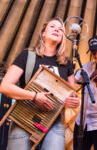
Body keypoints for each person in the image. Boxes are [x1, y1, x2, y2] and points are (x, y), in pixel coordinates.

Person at [0, 17, 80, 150]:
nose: (57, 30)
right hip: (24, 118)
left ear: (63, 37)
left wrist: (74, 102)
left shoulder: (66, 63)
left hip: (54, 122)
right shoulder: (27, 55)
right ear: (43, 33)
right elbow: (4, 86)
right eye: (52, 27)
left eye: (60, 29)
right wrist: (35, 96)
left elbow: (73, 94)